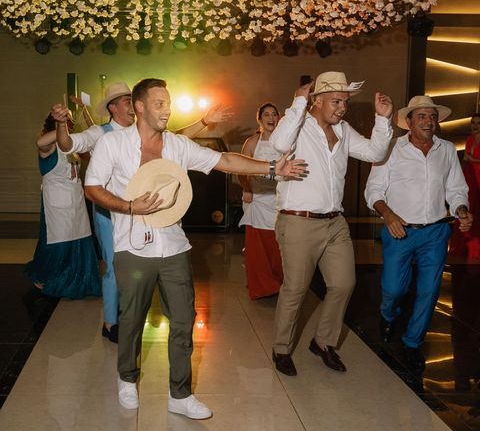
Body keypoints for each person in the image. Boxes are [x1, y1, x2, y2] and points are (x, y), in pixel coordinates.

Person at [82, 78, 307, 419]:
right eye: (159, 103)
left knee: (185, 320)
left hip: (173, 246)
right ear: (139, 107)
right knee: (131, 320)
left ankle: (180, 394)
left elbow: (225, 161)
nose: (166, 109)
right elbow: (92, 187)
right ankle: (127, 378)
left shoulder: (177, 146)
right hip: (132, 246)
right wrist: (130, 207)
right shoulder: (112, 145)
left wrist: (275, 168)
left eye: (168, 103)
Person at [54, 82, 232, 343]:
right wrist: (60, 124)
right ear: (115, 108)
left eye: (131, 99)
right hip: (110, 208)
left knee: (139, 262)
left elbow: (179, 138)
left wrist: (205, 120)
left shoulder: (149, 133)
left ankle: (130, 316)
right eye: (125, 100)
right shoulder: (100, 133)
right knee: (115, 265)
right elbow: (68, 144)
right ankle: (111, 322)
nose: (130, 104)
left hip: (146, 210)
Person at [269, 72, 393, 376]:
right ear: (317, 100)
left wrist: (383, 120)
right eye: (336, 101)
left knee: (344, 284)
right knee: (296, 289)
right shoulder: (297, 125)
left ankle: (323, 342)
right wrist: (298, 102)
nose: (342, 108)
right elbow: (278, 143)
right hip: (298, 221)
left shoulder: (344, 130)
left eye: (345, 102)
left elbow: (375, 152)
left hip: (335, 222)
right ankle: (281, 348)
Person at [365, 95, 472, 370]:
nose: (429, 121)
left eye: (432, 116)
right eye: (422, 116)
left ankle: (413, 342)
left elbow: (456, 189)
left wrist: (460, 209)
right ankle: (388, 315)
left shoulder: (447, 149)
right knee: (393, 289)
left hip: (436, 232)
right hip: (400, 230)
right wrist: (388, 215)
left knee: (428, 291)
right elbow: (373, 191)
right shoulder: (389, 149)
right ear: (408, 122)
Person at [23, 111, 101, 300]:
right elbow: (40, 143)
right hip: (57, 201)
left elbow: (96, 142)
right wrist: (61, 125)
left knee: (81, 238)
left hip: (76, 200)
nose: (70, 122)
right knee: (59, 240)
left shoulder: (72, 147)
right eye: (66, 120)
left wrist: (85, 111)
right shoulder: (48, 145)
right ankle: (49, 276)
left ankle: (82, 279)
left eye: (69, 120)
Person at [238, 102, 283, 299]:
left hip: (280, 200)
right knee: (257, 247)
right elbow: (240, 168)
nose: (271, 118)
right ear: (260, 119)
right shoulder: (252, 143)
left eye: (274, 114)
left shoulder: (285, 142)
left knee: (278, 245)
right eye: (267, 114)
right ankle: (261, 286)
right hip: (257, 198)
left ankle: (280, 284)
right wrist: (247, 189)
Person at [449, 113, 480, 260]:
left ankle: (476, 248)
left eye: (478, 123)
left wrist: (471, 158)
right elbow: (465, 161)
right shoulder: (469, 139)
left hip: (479, 176)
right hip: (469, 177)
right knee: (467, 208)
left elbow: (470, 158)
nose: (475, 125)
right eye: (473, 123)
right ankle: (462, 246)